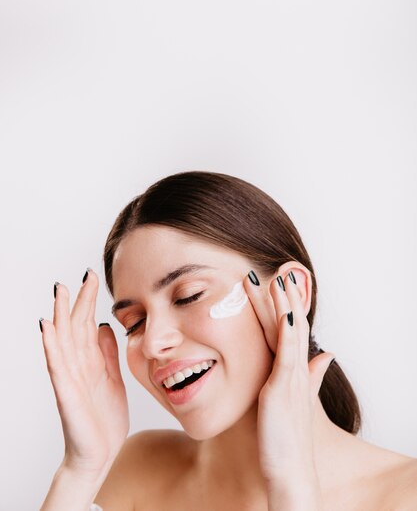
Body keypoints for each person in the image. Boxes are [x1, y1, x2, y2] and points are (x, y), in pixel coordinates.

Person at [39, 171, 417, 511]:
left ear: (291, 292)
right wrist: (81, 469)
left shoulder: (405, 495)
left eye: (189, 295)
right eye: (135, 323)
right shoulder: (138, 469)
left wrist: (290, 482)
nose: (153, 343)